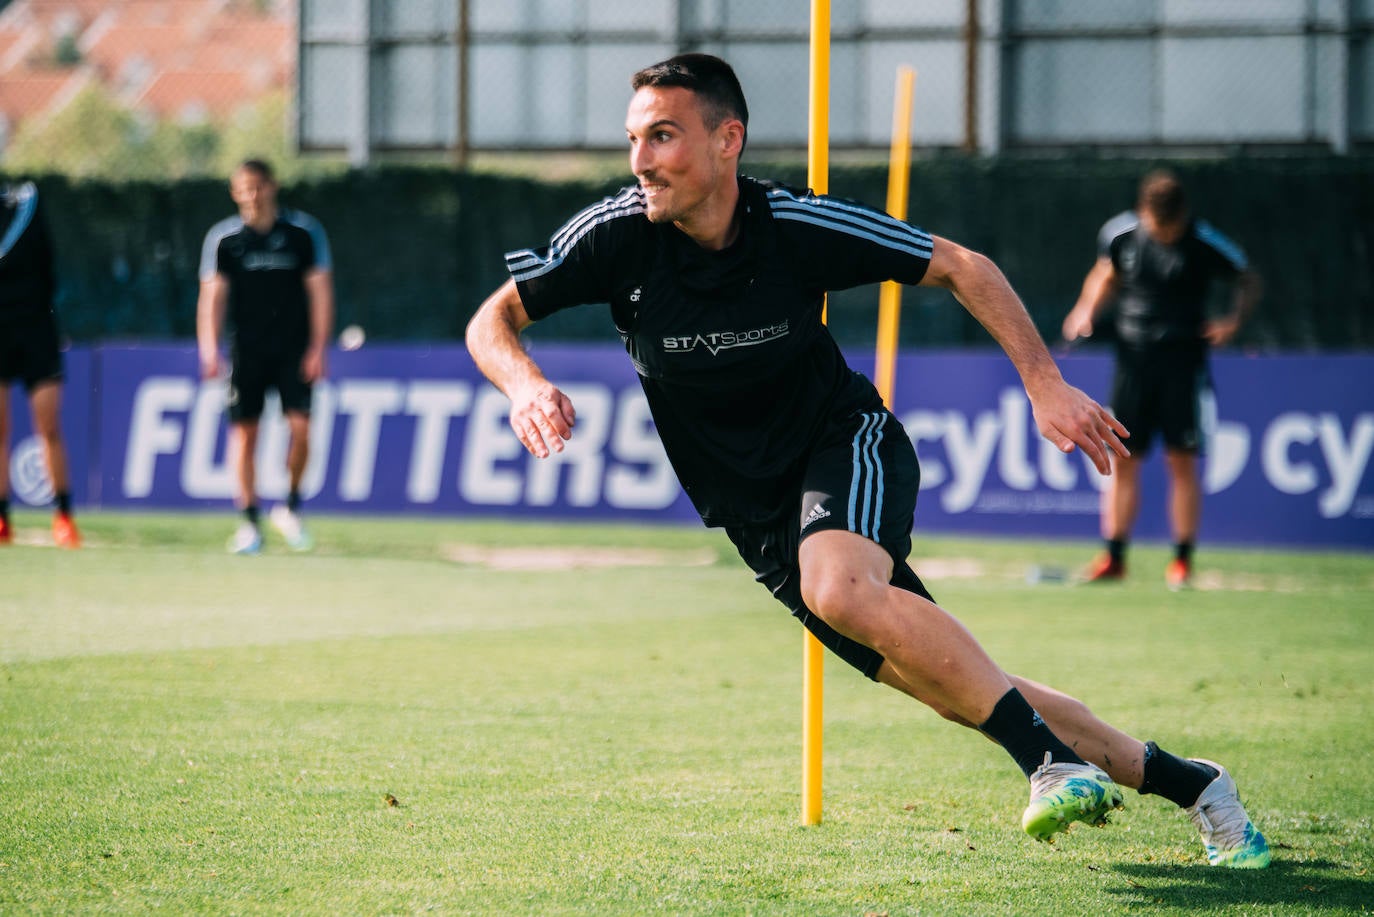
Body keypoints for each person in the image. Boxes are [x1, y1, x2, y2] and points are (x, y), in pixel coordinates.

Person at [465, 54, 1270, 867]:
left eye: (663, 136)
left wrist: (1045, 384)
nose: (640, 160)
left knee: (841, 587)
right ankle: (1195, 785)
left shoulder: (796, 227)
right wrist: (523, 383)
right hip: (756, 520)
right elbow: (492, 321)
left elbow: (964, 266)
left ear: (727, 139)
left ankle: (1047, 765)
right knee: (964, 689)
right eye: (634, 138)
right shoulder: (615, 237)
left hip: (844, 445)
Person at [1062, 169, 1261, 589]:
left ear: (1182, 217)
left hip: (1183, 365)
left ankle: (1182, 561)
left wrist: (1232, 322)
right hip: (1133, 364)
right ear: (1144, 214)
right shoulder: (1121, 236)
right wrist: (1084, 311)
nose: (1164, 234)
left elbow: (1247, 276)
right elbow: (1103, 274)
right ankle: (1114, 557)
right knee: (1122, 458)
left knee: (1181, 460)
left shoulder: (1204, 242)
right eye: (1157, 226)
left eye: (1170, 228)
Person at [197, 159, 334, 555]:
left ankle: (289, 507)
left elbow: (321, 292)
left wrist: (318, 348)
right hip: (247, 352)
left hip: (294, 350)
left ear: (272, 187)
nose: (253, 196)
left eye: (259, 187)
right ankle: (249, 522)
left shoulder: (303, 233)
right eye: (244, 188)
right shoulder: (225, 240)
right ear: (235, 192)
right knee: (244, 434)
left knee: (302, 429)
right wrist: (208, 348)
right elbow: (212, 298)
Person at [0, 180, 80, 548]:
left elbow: (47, 267)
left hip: (35, 330)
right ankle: (2, 519)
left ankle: (63, 516)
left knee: (48, 424)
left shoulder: (26, 201)